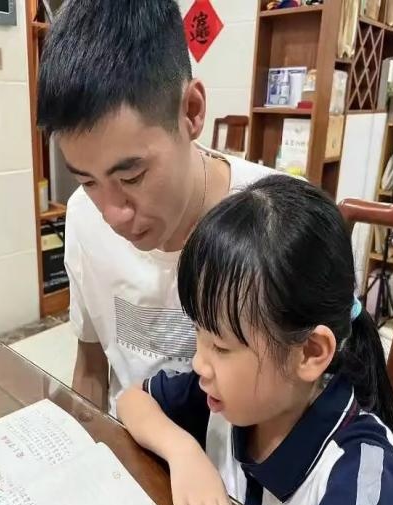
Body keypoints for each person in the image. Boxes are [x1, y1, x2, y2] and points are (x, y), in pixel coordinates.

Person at [15, 176, 393, 505]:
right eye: (198, 332)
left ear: (309, 352)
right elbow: (133, 400)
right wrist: (184, 452)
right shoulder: (227, 401)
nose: (199, 362)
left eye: (220, 346)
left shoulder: (361, 469)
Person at [37, 0, 275, 414]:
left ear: (192, 111)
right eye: (87, 181)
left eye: (131, 177)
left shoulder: (276, 222)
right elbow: (91, 366)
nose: (112, 214)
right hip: (128, 442)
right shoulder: (83, 216)